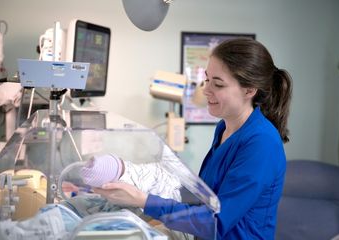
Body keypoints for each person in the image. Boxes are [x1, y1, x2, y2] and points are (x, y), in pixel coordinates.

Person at [93, 38, 293, 239]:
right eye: (207, 80)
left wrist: (144, 201)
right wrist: (142, 184)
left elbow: (217, 222)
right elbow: (204, 198)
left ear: (249, 90)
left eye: (218, 84)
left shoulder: (261, 143)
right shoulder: (225, 127)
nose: (206, 90)